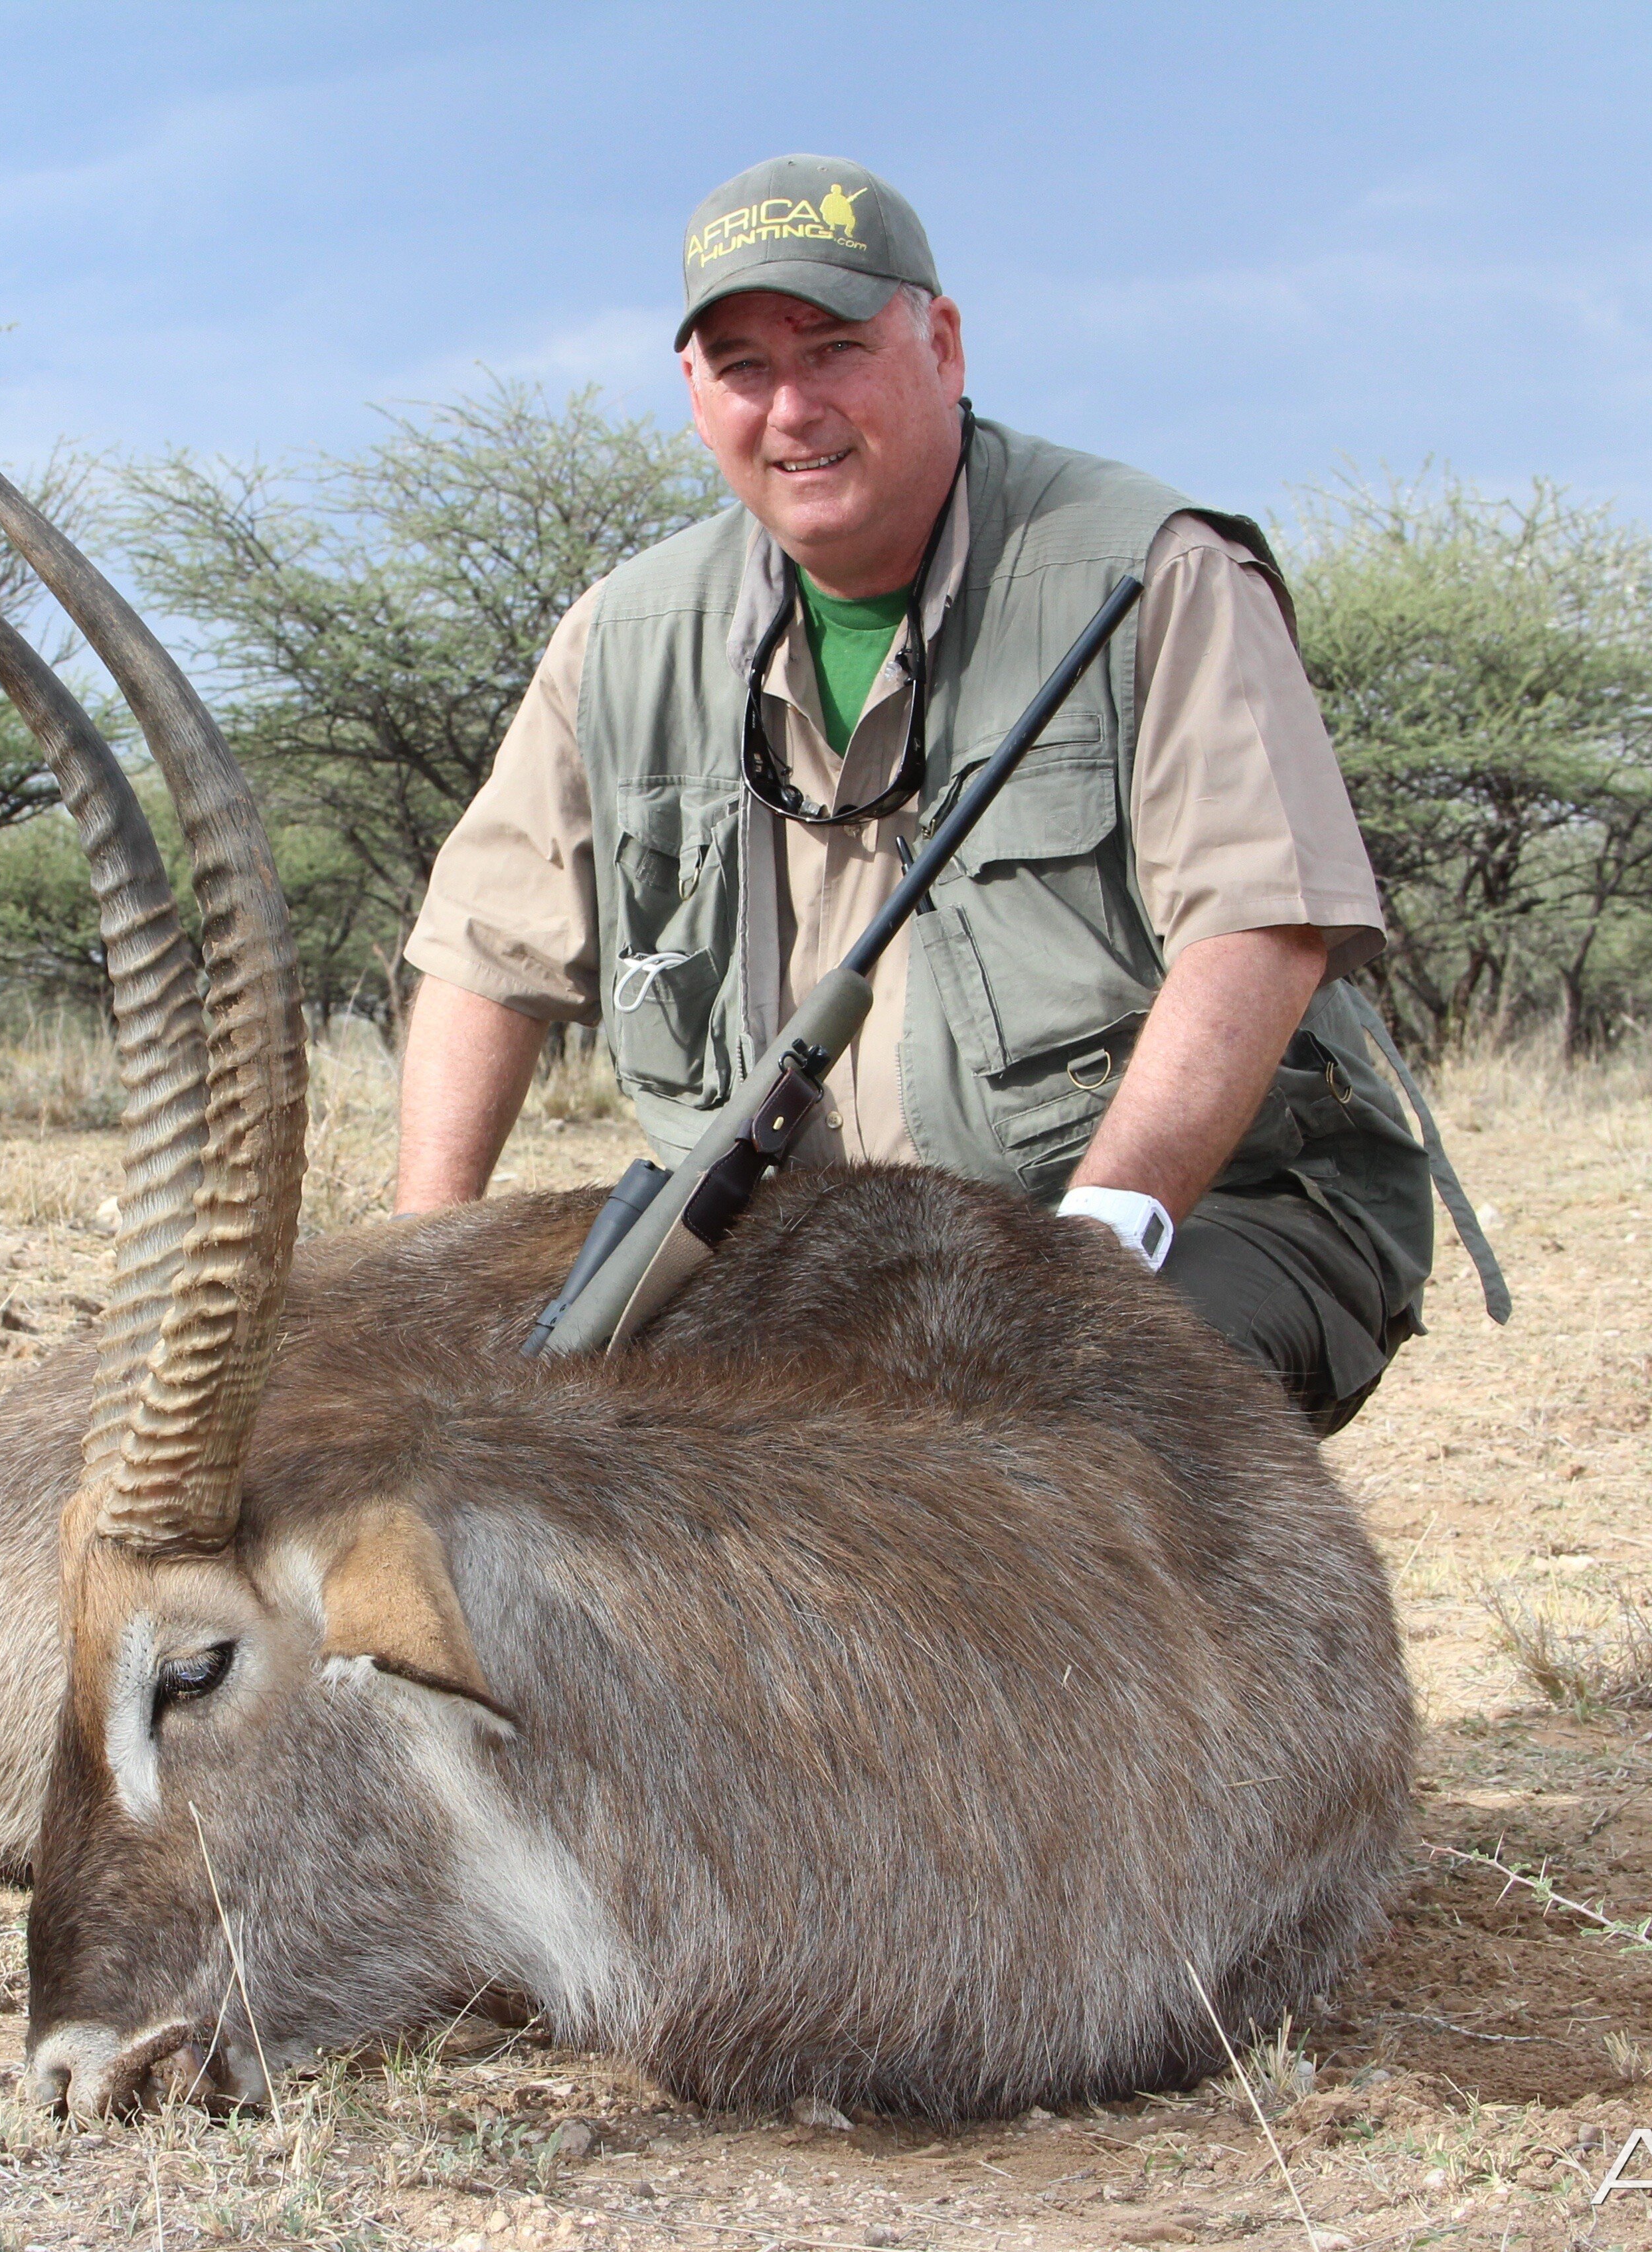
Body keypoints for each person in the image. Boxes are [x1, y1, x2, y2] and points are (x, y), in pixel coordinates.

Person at [396, 154, 1481, 1433]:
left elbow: (1262, 930)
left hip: (1187, 1211)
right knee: (535, 1463)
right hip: (817, 1253)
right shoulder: (621, 637)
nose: (791, 407)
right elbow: (487, 953)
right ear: (695, 396)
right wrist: (420, 1278)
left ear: (943, 344)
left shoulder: (1156, 572)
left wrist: (1084, 1266)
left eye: (836, 348)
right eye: (743, 366)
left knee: (1035, 1453)